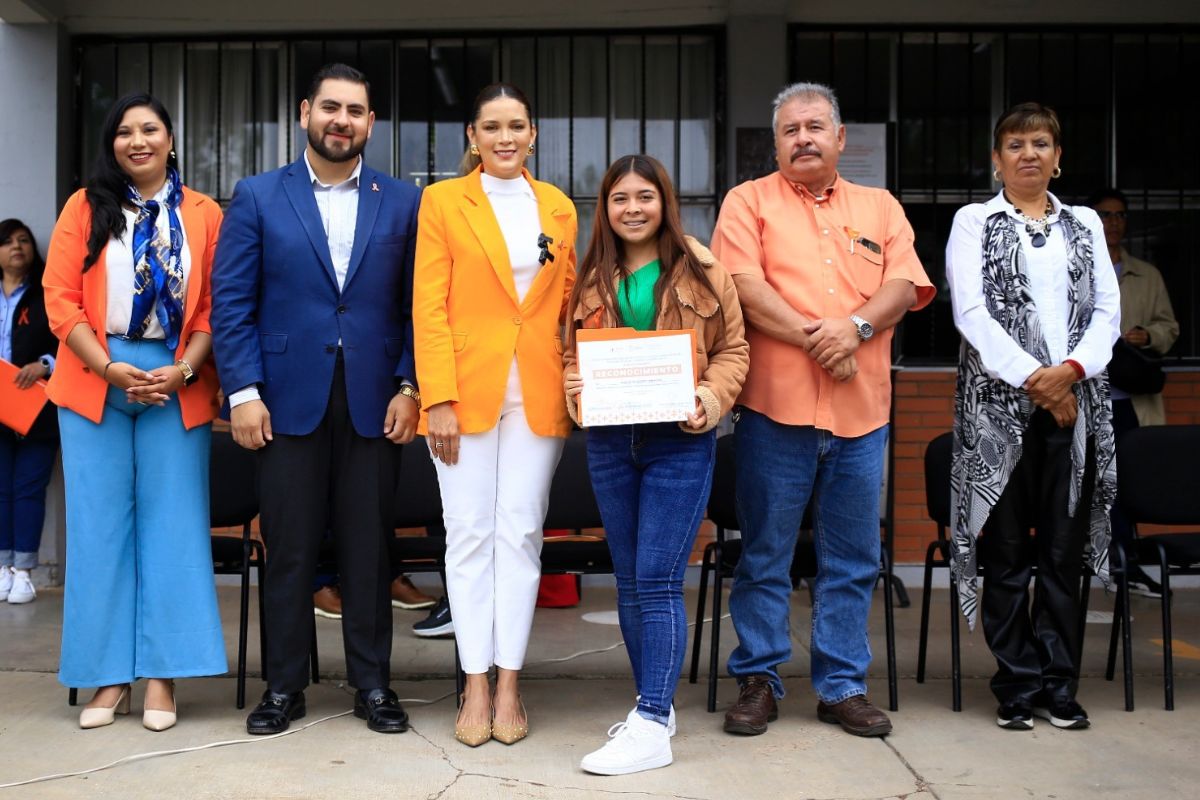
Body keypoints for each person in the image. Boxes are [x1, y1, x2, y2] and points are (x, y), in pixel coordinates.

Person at [711, 82, 933, 738]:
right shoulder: (746, 202)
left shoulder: (880, 205)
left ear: (840, 138)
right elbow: (741, 287)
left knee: (854, 555)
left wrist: (856, 330)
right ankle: (759, 677)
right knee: (766, 552)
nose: (803, 137)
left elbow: (904, 282)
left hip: (862, 416)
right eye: (790, 129)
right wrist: (824, 335)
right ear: (775, 142)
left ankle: (841, 685)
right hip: (775, 412)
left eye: (815, 126)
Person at [211, 63, 421, 735]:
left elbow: (420, 306)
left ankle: (373, 685)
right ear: (305, 112)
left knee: (369, 548)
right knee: (292, 550)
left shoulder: (404, 202)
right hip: (281, 401)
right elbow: (232, 304)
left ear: (371, 123)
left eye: (355, 111)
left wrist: (409, 384)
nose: (342, 120)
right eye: (330, 107)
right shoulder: (256, 195)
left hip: (373, 400)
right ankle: (282, 687)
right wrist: (242, 392)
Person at [42, 93, 227, 731]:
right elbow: (58, 298)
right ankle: (107, 679)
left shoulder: (204, 215)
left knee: (172, 530)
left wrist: (179, 373)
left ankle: (162, 678)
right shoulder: (83, 207)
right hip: (95, 379)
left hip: (177, 376)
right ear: (112, 143)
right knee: (98, 534)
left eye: (150, 129)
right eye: (124, 132)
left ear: (171, 139)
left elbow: (211, 312)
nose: (137, 140)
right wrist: (108, 368)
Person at [563, 155, 748, 774]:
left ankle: (648, 719)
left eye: (645, 196)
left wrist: (708, 398)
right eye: (620, 199)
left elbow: (733, 350)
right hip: (613, 443)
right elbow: (570, 356)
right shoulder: (589, 275)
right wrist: (579, 395)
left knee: (659, 578)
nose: (633, 208)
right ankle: (657, 711)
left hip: (679, 440)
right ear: (605, 208)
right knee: (629, 579)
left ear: (665, 202)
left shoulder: (702, 267)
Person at [946, 103, 1120, 731]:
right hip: (998, 415)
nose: (1028, 153)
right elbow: (970, 314)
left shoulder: (1085, 225)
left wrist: (1070, 373)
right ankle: (1017, 685)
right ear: (997, 159)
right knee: (1009, 552)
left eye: (1041, 143)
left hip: (1076, 411)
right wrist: (1039, 383)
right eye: (1014, 144)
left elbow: (1107, 312)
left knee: (1063, 555)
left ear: (1058, 156)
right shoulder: (973, 222)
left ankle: (1060, 684)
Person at [413, 82, 577, 747]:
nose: (505, 137)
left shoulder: (559, 208)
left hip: (535, 391)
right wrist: (438, 399)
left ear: (532, 133)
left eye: (517, 125)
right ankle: (473, 681)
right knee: (468, 535)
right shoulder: (443, 201)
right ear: (472, 139)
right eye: (492, 127)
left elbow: (565, 305)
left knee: (521, 534)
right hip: (465, 392)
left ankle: (510, 680)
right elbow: (427, 304)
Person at [1089, 188, 1179, 598]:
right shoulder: (1077, 269)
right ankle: (1104, 561)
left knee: (1128, 483)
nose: (1113, 223)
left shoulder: (1146, 274)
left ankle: (1124, 565)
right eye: (1105, 215)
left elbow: (1170, 328)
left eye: (1120, 215)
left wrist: (1149, 335)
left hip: (1130, 402)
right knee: (1091, 483)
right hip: (1083, 395)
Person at [0, 219, 59, 605]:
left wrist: (45, 363)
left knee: (28, 489)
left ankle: (24, 571)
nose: (16, 247)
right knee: (1, 490)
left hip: (37, 406)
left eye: (23, 240)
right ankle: (3, 567)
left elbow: (66, 339)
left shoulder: (45, 292)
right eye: (6, 242)